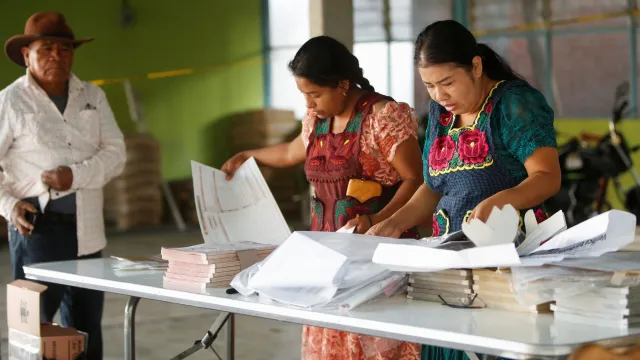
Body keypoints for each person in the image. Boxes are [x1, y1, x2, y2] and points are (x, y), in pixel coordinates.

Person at [367, 20, 561, 360]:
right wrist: (392, 223)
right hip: (451, 271)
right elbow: (433, 187)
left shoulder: (512, 104)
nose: (440, 95)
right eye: (429, 85)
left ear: (475, 66)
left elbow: (546, 175)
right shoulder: (441, 115)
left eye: (447, 83)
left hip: (508, 266)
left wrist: (505, 199)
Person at [222, 36, 423, 360]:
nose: (309, 104)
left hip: (377, 264)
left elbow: (416, 179)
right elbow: (290, 151)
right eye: (304, 95)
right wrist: (248, 155)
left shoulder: (383, 117)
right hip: (324, 265)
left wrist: (376, 220)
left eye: (314, 94)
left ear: (342, 84)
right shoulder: (317, 121)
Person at [1, 12, 126, 359]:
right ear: (27, 55)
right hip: (37, 231)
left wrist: (75, 176)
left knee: (86, 330)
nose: (57, 56)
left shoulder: (93, 97)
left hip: (88, 232)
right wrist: (9, 206)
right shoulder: (10, 101)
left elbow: (116, 154)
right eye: (47, 48)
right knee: (34, 329)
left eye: (65, 49)